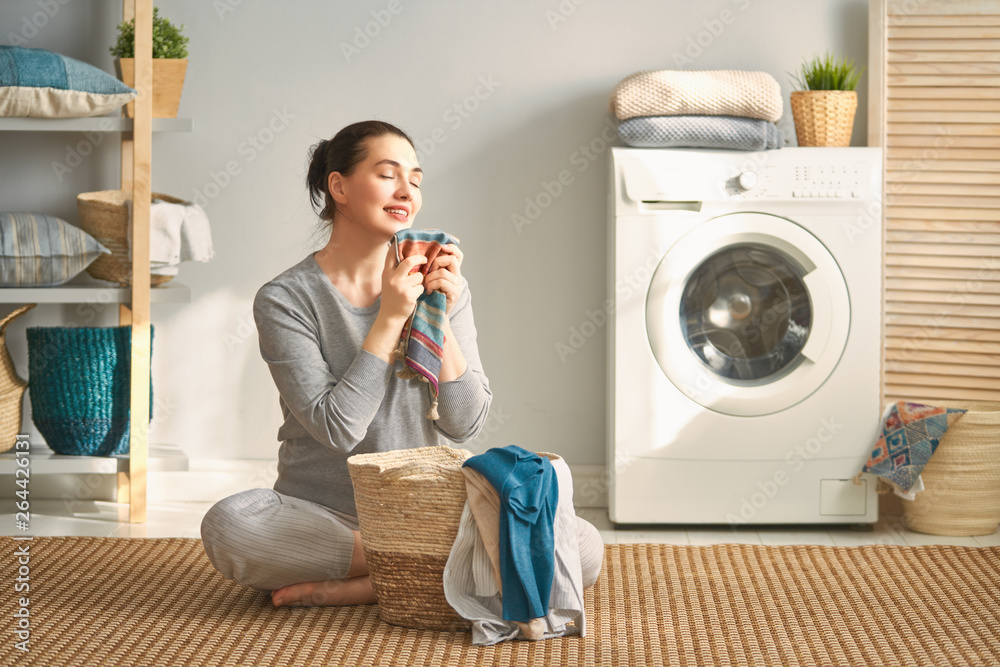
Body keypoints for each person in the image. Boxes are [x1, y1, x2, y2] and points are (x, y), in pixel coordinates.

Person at [201, 120, 601, 609]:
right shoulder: (286, 299)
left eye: (415, 178)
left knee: (582, 545)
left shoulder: (442, 285)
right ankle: (439, 572)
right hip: (325, 514)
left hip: (430, 510)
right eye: (388, 174)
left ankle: (374, 585)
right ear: (339, 186)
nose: (406, 189)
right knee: (232, 525)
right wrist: (390, 317)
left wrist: (440, 318)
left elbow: (464, 422)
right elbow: (338, 428)